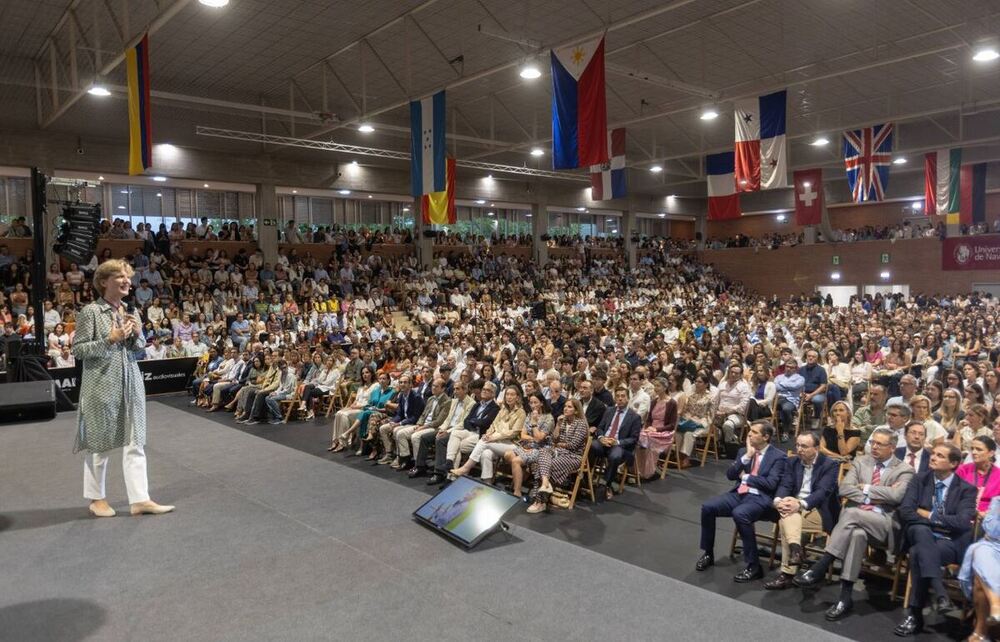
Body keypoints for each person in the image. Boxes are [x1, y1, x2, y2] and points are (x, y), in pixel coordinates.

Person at [72, 259, 173, 518]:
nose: (127, 281)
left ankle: (140, 499)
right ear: (104, 282)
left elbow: (137, 350)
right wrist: (109, 339)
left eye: (128, 276)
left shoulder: (130, 311)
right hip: (100, 385)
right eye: (120, 276)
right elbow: (79, 350)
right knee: (100, 444)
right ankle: (97, 499)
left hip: (131, 382)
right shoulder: (91, 312)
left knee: (135, 442)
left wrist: (138, 335)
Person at [793, 427, 914, 621]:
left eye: (880, 444)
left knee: (850, 513)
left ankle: (821, 566)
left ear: (892, 447)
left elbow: (897, 496)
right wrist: (877, 496)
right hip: (859, 521)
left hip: (884, 524)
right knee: (857, 533)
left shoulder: (905, 470)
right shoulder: (861, 462)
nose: (874, 447)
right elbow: (844, 489)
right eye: (873, 442)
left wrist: (865, 488)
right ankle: (844, 598)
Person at [894, 444, 977, 636]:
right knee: (920, 531)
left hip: (949, 542)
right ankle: (940, 593)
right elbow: (906, 511)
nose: (933, 457)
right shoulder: (919, 479)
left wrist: (929, 516)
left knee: (917, 553)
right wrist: (940, 523)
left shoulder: (966, 489)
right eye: (933, 454)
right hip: (921, 532)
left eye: (940, 455)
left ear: (954, 463)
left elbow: (963, 522)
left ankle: (915, 615)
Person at [696, 420, 786, 582]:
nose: (749, 434)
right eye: (749, 431)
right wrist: (747, 456)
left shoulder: (778, 457)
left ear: (766, 437)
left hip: (760, 498)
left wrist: (746, 477)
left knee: (740, 514)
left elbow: (770, 484)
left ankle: (754, 566)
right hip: (739, 494)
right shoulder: (744, 451)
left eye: (754, 432)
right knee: (708, 507)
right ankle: (708, 552)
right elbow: (730, 475)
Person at [763, 431, 840, 590]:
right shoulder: (792, 462)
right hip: (795, 507)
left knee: (785, 520)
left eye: (804, 446)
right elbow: (785, 485)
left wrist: (800, 504)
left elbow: (822, 492)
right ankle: (795, 552)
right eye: (797, 445)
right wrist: (779, 501)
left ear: (816, 448)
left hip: (820, 510)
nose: (799, 449)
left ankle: (788, 572)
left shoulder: (830, 465)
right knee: (787, 514)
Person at [428, 381, 500, 485]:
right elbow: (466, 421)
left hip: (480, 435)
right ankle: (449, 462)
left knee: (457, 445)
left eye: (487, 390)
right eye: (483, 389)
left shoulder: (495, 408)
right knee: (456, 432)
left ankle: (451, 477)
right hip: (469, 431)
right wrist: (474, 422)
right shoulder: (477, 405)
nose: (484, 391)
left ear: (493, 394)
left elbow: (485, 423)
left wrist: (473, 421)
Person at [525, 398, 589, 514]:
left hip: (573, 457)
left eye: (569, 407)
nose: (566, 408)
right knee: (543, 452)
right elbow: (554, 438)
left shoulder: (581, 424)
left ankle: (539, 501)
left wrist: (558, 444)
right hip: (559, 452)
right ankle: (545, 486)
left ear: (576, 410)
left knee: (544, 464)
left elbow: (573, 445)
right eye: (565, 406)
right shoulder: (563, 421)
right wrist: (558, 425)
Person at [450, 385, 525, 482]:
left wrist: (493, 438)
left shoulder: (521, 412)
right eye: (507, 394)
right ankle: (487, 482)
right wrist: (488, 434)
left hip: (512, 444)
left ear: (517, 397)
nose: (509, 397)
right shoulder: (503, 410)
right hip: (497, 442)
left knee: (484, 442)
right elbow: (493, 425)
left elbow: (513, 433)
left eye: (512, 395)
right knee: (486, 453)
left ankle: (466, 468)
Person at [408, 380, 474, 478]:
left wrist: (447, 431)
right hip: (446, 428)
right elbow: (448, 419)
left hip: (457, 430)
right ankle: (420, 466)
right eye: (454, 389)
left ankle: (438, 472)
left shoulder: (471, 403)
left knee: (440, 440)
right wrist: (442, 429)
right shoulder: (454, 401)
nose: (455, 391)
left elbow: (463, 423)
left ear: (465, 390)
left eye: (457, 389)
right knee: (425, 438)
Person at [958, 496, 1000, 641]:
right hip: (993, 547)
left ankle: (981, 632)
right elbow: (992, 531)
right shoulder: (998, 501)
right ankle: (995, 605)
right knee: (981, 550)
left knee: (980, 578)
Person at [589, 386, 642, 500]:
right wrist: (602, 437)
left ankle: (606, 484)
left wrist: (617, 441)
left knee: (615, 455)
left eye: (623, 396)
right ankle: (587, 477)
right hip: (604, 442)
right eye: (617, 396)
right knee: (591, 445)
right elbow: (600, 428)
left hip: (619, 445)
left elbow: (634, 439)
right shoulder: (609, 410)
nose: (620, 399)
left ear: (628, 398)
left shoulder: (634, 417)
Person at [389, 378, 452, 470]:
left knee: (415, 436)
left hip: (434, 427)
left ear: (443, 389)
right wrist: (419, 424)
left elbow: (439, 421)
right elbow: (423, 415)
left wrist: (423, 427)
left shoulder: (447, 401)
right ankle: (405, 459)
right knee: (400, 433)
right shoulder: (431, 398)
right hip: (423, 425)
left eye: (436, 386)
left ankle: (418, 464)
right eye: (432, 386)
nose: (433, 388)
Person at [636, 378, 678, 478]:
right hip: (651, 428)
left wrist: (657, 429)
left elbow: (672, 425)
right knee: (637, 437)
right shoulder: (654, 401)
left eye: (658, 386)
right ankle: (636, 468)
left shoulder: (672, 403)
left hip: (664, 431)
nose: (656, 388)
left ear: (665, 387)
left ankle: (647, 471)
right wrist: (648, 427)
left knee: (650, 440)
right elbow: (649, 419)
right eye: (655, 386)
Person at [957, 436, 1000, 515]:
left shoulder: (998, 475)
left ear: (991, 453)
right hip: (963, 513)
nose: (973, 452)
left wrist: (988, 514)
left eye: (978, 449)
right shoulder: (962, 470)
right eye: (972, 449)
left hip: (989, 517)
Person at [774, 359, 805, 442]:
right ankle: (770, 428)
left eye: (791, 367)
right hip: (778, 398)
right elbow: (776, 387)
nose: (788, 369)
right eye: (787, 366)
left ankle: (786, 431)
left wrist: (782, 385)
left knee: (786, 409)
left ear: (795, 369)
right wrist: (789, 387)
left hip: (791, 400)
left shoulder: (800, 378)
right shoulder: (779, 377)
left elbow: (795, 386)